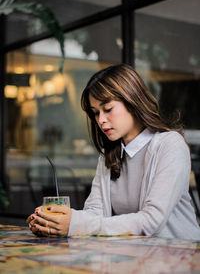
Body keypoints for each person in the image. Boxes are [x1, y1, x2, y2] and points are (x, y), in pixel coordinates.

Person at [27, 63, 200, 240]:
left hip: (179, 258)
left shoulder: (170, 145)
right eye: (95, 113)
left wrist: (75, 224)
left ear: (132, 101)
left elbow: (152, 220)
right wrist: (54, 222)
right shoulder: (109, 154)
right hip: (130, 258)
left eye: (107, 109)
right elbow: (95, 213)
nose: (101, 120)